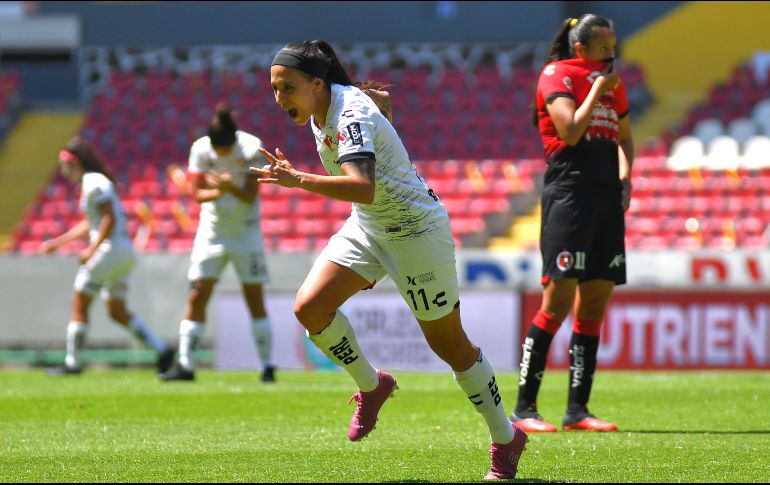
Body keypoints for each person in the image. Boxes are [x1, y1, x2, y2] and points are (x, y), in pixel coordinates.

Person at [250, 40, 527, 480]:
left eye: (287, 88)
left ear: (317, 84)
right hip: (369, 227)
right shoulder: (325, 106)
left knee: (449, 345)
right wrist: (384, 115)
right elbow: (381, 107)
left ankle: (507, 436)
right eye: (275, 89)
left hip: (416, 232)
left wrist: (298, 179)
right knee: (310, 308)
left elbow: (364, 186)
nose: (279, 98)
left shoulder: (350, 113)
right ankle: (373, 385)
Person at [511, 14, 633, 433]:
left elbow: (625, 136)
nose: (611, 53)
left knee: (595, 302)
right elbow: (571, 130)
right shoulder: (557, 74)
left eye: (613, 45)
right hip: (570, 195)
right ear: (580, 48)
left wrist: (626, 175)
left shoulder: (615, 82)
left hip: (606, 199)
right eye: (603, 47)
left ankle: (577, 410)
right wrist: (599, 88)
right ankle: (524, 409)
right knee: (557, 303)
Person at [39, 136, 175, 375]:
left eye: (66, 165)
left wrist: (92, 249)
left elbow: (108, 218)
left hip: (108, 251)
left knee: (80, 302)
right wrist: (58, 243)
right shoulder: (94, 182)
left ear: (77, 162)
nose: (63, 170)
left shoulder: (93, 182)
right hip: (122, 253)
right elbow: (90, 224)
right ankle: (161, 348)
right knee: (117, 312)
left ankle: (73, 362)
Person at [161, 104, 276, 383]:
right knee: (198, 293)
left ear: (233, 143)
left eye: (224, 150)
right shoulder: (201, 149)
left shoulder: (251, 147)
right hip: (212, 231)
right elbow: (197, 194)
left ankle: (267, 366)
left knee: (254, 297)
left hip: (246, 232)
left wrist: (229, 187)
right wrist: (218, 190)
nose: (220, 155)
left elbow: (249, 195)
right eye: (217, 151)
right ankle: (186, 364)